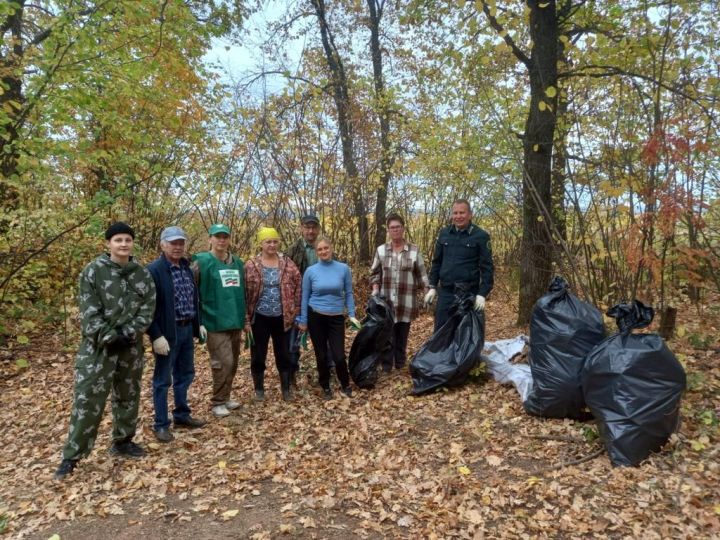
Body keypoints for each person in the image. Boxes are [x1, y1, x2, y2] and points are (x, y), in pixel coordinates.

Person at [54, 222, 156, 480]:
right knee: (88, 400)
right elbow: (89, 311)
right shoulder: (93, 272)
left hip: (130, 348)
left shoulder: (141, 274)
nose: (123, 244)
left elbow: (147, 308)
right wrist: (110, 336)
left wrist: (130, 333)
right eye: (118, 240)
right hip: (98, 349)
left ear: (133, 244)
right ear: (108, 244)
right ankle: (72, 455)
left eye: (127, 240)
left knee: (128, 395)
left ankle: (122, 441)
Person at [147, 226, 206, 443]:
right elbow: (147, 307)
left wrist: (198, 324)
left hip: (186, 330)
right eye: (173, 243)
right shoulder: (153, 270)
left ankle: (182, 414)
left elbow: (193, 298)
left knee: (185, 374)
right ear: (163, 244)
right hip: (166, 334)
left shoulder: (186, 267)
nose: (177, 247)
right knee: (163, 380)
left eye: (181, 243)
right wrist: (155, 335)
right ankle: (161, 424)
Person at [192, 223, 246, 418]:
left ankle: (226, 396)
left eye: (225, 237)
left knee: (233, 362)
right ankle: (218, 401)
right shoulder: (201, 262)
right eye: (218, 237)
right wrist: (197, 321)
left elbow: (243, 293)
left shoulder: (238, 263)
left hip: (235, 319)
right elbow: (192, 292)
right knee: (223, 361)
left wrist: (245, 319)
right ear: (210, 239)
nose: (221, 240)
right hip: (213, 321)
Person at [297, 237, 361, 399]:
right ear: (316, 252)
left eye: (326, 248)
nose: (323, 251)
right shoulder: (311, 271)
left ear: (331, 248)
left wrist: (352, 314)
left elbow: (349, 292)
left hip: (336, 317)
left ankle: (345, 384)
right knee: (322, 355)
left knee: (339, 355)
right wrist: (303, 320)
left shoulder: (343, 268)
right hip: (315, 316)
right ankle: (325, 386)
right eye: (320, 249)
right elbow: (305, 297)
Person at [245, 227, 302, 402]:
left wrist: (296, 310)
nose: (271, 245)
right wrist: (245, 319)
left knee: (283, 353)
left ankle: (285, 389)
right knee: (258, 354)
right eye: (267, 241)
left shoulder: (287, 263)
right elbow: (243, 293)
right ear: (261, 243)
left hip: (282, 316)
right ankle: (259, 390)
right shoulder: (250, 264)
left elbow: (298, 285)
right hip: (259, 317)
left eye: (274, 241)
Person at [370, 213, 429, 371]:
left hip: (406, 301)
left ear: (403, 228)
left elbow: (421, 274)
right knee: (387, 335)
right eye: (392, 228)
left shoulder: (414, 251)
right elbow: (375, 273)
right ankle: (387, 365)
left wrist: (427, 291)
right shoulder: (381, 250)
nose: (395, 230)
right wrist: (375, 289)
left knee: (402, 334)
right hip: (386, 301)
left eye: (398, 227)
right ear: (388, 230)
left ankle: (400, 363)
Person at [425, 199, 494, 330]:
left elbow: (487, 268)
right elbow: (437, 262)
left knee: (466, 336)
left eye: (462, 213)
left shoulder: (481, 236)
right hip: (445, 293)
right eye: (455, 213)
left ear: (470, 215)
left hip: (468, 295)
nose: (458, 216)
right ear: (451, 215)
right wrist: (432, 286)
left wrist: (482, 294)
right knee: (441, 333)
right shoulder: (444, 233)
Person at [286, 213, 322, 383]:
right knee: (293, 343)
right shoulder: (291, 251)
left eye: (314, 227)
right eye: (307, 227)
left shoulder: (324, 248)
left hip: (321, 303)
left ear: (318, 229)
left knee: (324, 341)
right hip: (298, 304)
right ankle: (291, 374)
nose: (310, 230)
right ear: (301, 228)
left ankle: (326, 374)